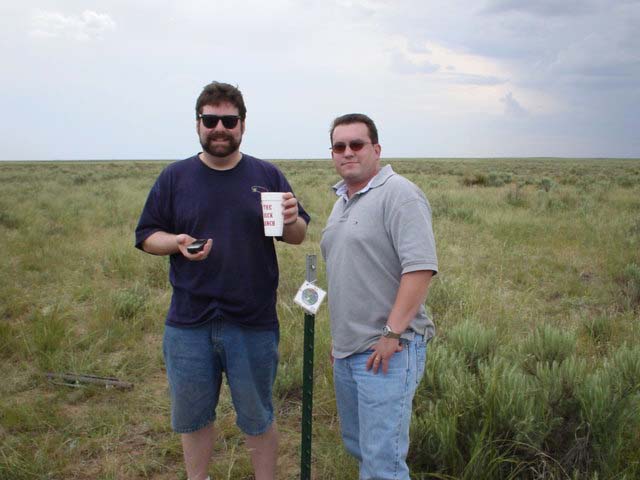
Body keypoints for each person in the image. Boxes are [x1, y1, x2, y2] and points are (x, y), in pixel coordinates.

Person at [135, 81, 310, 480]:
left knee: (258, 416)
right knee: (193, 418)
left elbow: (296, 235)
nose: (219, 128)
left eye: (228, 120)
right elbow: (147, 235)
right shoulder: (175, 177)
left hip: (252, 321)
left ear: (242, 125)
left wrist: (291, 219)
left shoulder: (266, 175)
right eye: (210, 120)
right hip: (189, 321)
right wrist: (176, 243)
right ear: (198, 124)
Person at [320, 113, 438, 479]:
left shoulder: (400, 194)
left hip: (388, 351)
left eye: (357, 144)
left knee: (382, 460)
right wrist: (340, 343)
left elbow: (419, 268)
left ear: (376, 149)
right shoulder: (342, 202)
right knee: (360, 447)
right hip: (349, 351)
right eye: (340, 146)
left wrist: (391, 333)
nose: (348, 152)